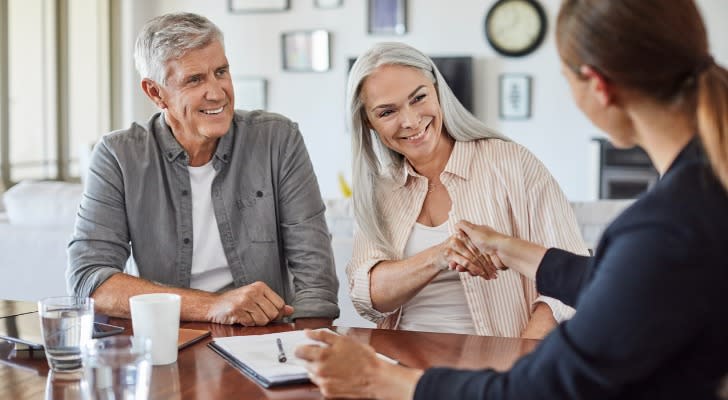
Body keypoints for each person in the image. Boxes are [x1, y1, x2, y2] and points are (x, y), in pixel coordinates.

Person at [296, 0, 728, 398]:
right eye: (387, 111)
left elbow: (542, 388)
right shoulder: (697, 199)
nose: (408, 120)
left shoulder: (663, 228)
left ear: (597, 85)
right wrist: (512, 250)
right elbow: (618, 281)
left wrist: (377, 376)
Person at [66, 12, 339, 327]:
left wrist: (303, 352)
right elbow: (89, 281)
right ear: (155, 93)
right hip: (168, 337)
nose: (217, 92)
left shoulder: (277, 138)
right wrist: (212, 306)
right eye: (195, 80)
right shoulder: (118, 156)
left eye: (221, 71)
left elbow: (315, 281)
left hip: (264, 337)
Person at [345, 42, 587, 339]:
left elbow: (570, 282)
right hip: (400, 362)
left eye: (418, 98)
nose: (410, 121)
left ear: (438, 92)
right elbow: (367, 297)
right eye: (386, 112)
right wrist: (439, 256)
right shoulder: (379, 190)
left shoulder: (512, 163)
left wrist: (519, 364)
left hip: (499, 365)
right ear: (368, 124)